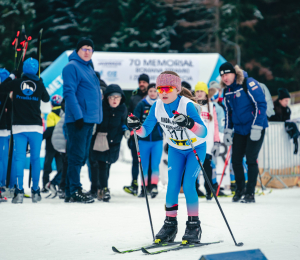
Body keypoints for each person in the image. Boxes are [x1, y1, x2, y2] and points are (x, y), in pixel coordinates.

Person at [127, 71, 207, 244]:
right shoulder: (157, 106)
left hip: (195, 148)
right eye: (160, 88)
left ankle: (194, 226)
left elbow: (204, 131)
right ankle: (170, 225)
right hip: (176, 149)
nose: (163, 92)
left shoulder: (187, 105)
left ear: (177, 90)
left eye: (168, 88)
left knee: (187, 185)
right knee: (172, 185)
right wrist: (136, 127)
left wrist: (189, 123)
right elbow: (145, 130)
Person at [0, 58, 50, 203]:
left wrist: (12, 76)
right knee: (34, 159)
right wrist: (40, 82)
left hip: (18, 127)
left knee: (19, 158)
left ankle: (19, 191)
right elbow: (46, 99)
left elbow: (2, 88)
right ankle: (36, 191)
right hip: (35, 127)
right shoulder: (39, 84)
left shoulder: (16, 83)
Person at [220, 62, 268, 203]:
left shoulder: (248, 83)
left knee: (251, 159)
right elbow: (228, 112)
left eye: (227, 74)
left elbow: (261, 104)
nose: (225, 78)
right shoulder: (227, 91)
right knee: (236, 160)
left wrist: (257, 126)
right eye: (222, 75)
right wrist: (228, 130)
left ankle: (250, 192)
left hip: (254, 127)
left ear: (234, 73)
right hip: (240, 130)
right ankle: (239, 190)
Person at [63, 37, 102, 203]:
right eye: (84, 49)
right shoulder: (72, 67)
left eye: (90, 49)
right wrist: (78, 116)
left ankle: (70, 189)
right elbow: (69, 93)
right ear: (77, 50)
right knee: (76, 156)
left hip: (89, 119)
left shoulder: (88, 67)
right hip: (79, 119)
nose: (87, 52)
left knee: (81, 155)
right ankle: (74, 190)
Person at [90, 84, 129, 202]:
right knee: (102, 164)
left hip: (115, 140)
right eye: (112, 97)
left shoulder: (123, 108)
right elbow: (96, 119)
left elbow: (124, 121)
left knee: (108, 164)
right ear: (107, 98)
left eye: (117, 97)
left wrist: (126, 129)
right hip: (101, 139)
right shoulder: (101, 107)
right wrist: (94, 127)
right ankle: (103, 189)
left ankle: (101, 188)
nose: (115, 100)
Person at [124, 83, 163, 198]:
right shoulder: (142, 104)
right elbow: (134, 118)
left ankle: (154, 186)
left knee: (155, 164)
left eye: (155, 91)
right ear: (148, 92)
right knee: (144, 165)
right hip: (143, 140)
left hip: (157, 140)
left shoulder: (161, 104)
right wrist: (133, 129)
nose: (152, 93)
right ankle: (144, 187)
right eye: (150, 91)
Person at [194, 82, 224, 199]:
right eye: (197, 91)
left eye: (202, 91)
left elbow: (215, 125)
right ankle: (195, 189)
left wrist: (216, 142)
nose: (199, 94)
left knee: (207, 167)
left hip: (208, 143)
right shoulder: (192, 105)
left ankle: (209, 189)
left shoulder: (211, 107)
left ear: (206, 94)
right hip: (195, 143)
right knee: (195, 167)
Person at [126, 74, 150, 195]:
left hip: (149, 135)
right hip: (135, 135)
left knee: (148, 162)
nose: (142, 84)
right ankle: (134, 184)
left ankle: (148, 185)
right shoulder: (134, 98)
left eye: (144, 82)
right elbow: (129, 114)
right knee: (136, 160)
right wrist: (129, 131)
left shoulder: (151, 96)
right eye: (140, 82)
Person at [41, 94, 63, 196]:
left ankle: (45, 185)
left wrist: (41, 137)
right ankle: (60, 185)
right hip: (61, 145)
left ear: (51, 104)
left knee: (47, 166)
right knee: (61, 166)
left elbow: (50, 129)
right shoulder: (64, 114)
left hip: (50, 144)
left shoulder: (51, 114)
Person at [0, 68, 11, 201]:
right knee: (3, 158)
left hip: (4, 128)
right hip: (4, 129)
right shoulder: (6, 92)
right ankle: (2, 184)